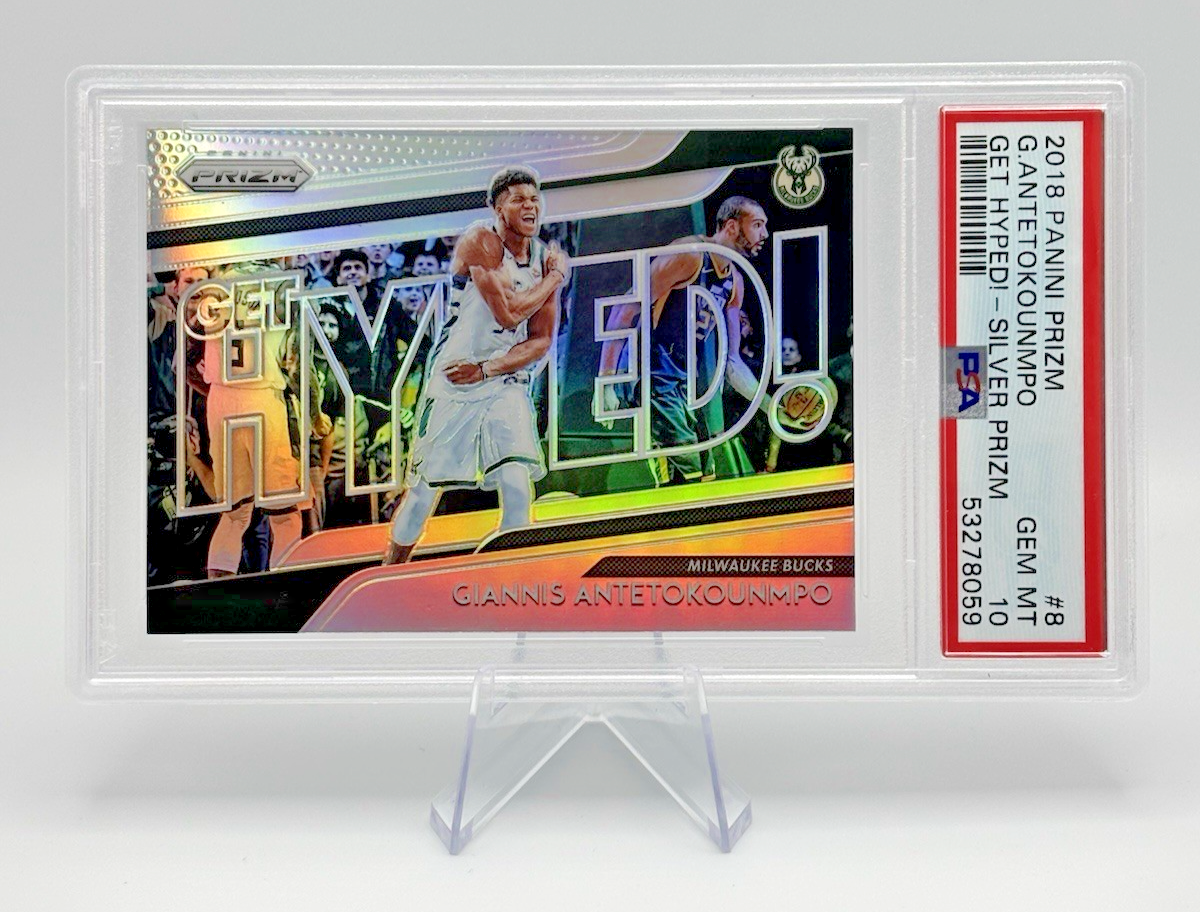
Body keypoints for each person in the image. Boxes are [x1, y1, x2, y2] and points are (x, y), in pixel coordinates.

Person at [382, 165, 566, 565]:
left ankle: (513, 577)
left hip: (501, 380)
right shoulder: (480, 240)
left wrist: (489, 369)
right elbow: (508, 314)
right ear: (498, 209)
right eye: (518, 200)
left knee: (517, 483)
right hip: (455, 381)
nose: (530, 206)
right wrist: (554, 280)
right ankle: (390, 568)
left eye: (535, 199)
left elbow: (541, 340)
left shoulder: (542, 259)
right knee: (424, 492)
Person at [596, 196, 769, 484]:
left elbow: (733, 363)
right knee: (689, 474)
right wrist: (606, 381)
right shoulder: (689, 255)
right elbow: (624, 309)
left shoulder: (734, 282)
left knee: (706, 474)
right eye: (757, 225)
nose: (764, 234)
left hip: (683, 381)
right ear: (731, 226)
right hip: (651, 373)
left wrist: (771, 406)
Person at [188, 287, 304, 577]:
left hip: (221, 399)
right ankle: (286, 592)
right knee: (285, 516)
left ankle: (216, 589)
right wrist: (312, 415)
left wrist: (214, 392)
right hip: (262, 397)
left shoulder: (213, 290)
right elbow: (298, 365)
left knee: (234, 515)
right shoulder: (278, 286)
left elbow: (186, 361)